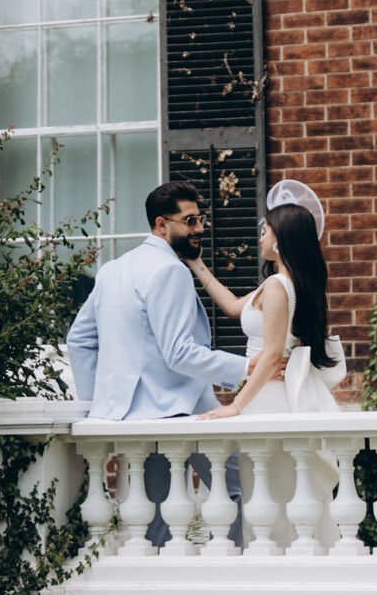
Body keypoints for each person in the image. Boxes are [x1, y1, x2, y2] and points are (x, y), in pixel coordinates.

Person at [65, 181, 248, 420]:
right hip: (170, 415)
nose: (200, 228)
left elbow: (78, 340)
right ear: (161, 224)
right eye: (190, 221)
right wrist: (246, 369)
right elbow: (179, 353)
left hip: (114, 419)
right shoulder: (170, 270)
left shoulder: (112, 269)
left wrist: (98, 405)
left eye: (200, 219)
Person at [193, 179, 346, 421]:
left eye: (265, 232)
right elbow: (232, 307)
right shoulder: (292, 284)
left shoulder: (277, 286)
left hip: (269, 393)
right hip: (269, 387)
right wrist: (196, 263)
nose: (260, 238)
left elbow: (273, 354)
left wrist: (236, 406)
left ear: (279, 240)